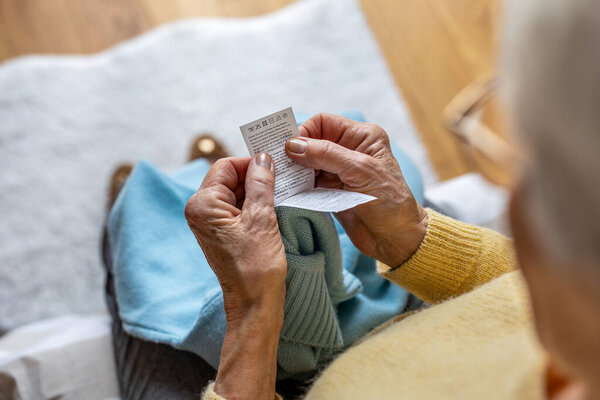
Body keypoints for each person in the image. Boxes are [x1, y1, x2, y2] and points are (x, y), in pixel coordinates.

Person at [183, 1, 600, 399]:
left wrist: (252, 311)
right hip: (421, 319)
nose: (515, 196)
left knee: (161, 322)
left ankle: (137, 216)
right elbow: (512, 294)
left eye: (525, 159)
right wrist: (413, 234)